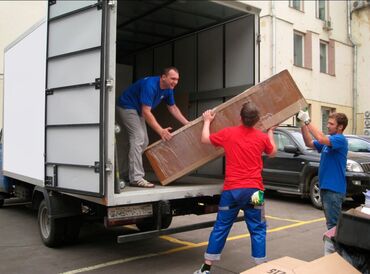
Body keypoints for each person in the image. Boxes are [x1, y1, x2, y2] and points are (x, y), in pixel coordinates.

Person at [194, 102, 277, 274]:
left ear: (240, 118)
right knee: (258, 227)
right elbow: (273, 151)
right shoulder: (261, 138)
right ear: (257, 120)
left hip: (232, 191)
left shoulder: (228, 133)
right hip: (255, 191)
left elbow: (204, 139)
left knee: (221, 226)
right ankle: (260, 267)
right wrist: (270, 131)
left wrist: (207, 121)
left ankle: (206, 267)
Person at [117, 67, 189, 188]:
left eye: (177, 79)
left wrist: (187, 123)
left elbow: (173, 108)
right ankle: (136, 178)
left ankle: (127, 173)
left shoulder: (168, 89)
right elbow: (146, 112)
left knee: (143, 142)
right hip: (127, 106)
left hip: (138, 110)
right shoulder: (150, 85)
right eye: (173, 78)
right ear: (163, 77)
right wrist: (161, 130)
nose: (175, 82)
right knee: (138, 138)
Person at [297, 110, 348, 229]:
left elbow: (321, 138)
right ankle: (333, 247)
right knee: (331, 224)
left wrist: (307, 121)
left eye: (331, 124)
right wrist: (303, 125)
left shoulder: (339, 139)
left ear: (340, 127)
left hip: (334, 190)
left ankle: (335, 247)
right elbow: (309, 143)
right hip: (326, 188)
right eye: (328, 123)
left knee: (333, 226)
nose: (327, 126)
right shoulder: (329, 141)